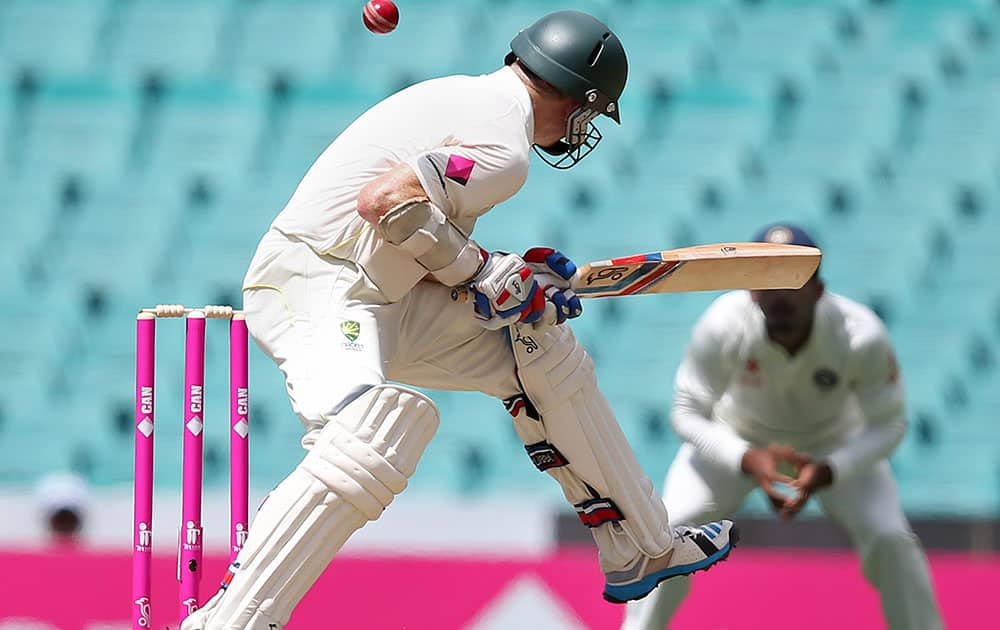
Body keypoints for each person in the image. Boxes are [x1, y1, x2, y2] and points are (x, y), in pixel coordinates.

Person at [182, 10, 736, 630]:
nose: (583, 129)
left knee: (538, 347)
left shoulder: (479, 105)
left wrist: (507, 281)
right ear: (579, 103)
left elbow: (409, 232)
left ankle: (640, 546)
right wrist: (479, 271)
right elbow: (385, 204)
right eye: (590, 114)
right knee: (376, 429)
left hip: (377, 292)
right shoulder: (504, 148)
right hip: (316, 284)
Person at [621, 224, 943, 630]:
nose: (780, 292)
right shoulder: (724, 324)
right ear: (751, 290)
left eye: (793, 277)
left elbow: (889, 425)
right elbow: (686, 412)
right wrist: (747, 458)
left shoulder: (859, 335)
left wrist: (829, 470)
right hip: (737, 439)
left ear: (818, 289)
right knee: (669, 538)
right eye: (767, 277)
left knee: (891, 540)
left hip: (831, 442)